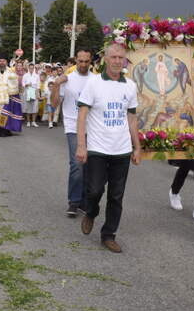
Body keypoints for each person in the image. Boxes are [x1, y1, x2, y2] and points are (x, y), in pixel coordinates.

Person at [75, 43, 141, 253]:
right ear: (105, 59)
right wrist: (81, 145)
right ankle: (92, 212)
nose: (116, 61)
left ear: (124, 60)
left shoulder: (129, 86)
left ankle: (109, 235)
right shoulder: (94, 84)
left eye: (120, 57)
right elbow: (82, 115)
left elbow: (131, 119)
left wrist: (136, 146)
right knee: (94, 190)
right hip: (97, 148)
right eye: (113, 57)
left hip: (121, 149)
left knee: (116, 195)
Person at [52, 49, 95, 216]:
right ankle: (74, 201)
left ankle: (84, 201)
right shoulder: (68, 79)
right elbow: (55, 104)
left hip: (92, 128)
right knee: (77, 164)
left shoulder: (96, 80)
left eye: (86, 61)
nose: (83, 64)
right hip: (72, 126)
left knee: (89, 166)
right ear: (75, 61)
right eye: (80, 61)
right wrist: (56, 85)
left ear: (91, 61)